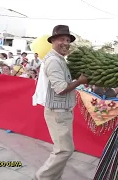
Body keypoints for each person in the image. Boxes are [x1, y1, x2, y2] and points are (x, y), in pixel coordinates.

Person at [33, 25, 88, 180]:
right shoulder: (53, 61)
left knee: (64, 149)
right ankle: (41, 177)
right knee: (64, 150)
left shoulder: (59, 59)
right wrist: (80, 81)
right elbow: (61, 88)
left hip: (62, 111)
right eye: (62, 39)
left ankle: (53, 177)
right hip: (58, 112)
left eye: (68, 40)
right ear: (53, 41)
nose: (66, 42)